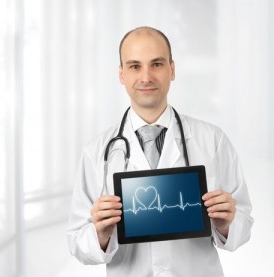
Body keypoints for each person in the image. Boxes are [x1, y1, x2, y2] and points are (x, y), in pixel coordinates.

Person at [67, 26, 253, 276]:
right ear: (121, 74)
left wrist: (226, 224)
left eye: (156, 64)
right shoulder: (96, 152)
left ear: (172, 69)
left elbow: (243, 226)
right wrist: (100, 234)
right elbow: (77, 242)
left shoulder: (213, 141)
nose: (146, 77)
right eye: (134, 66)